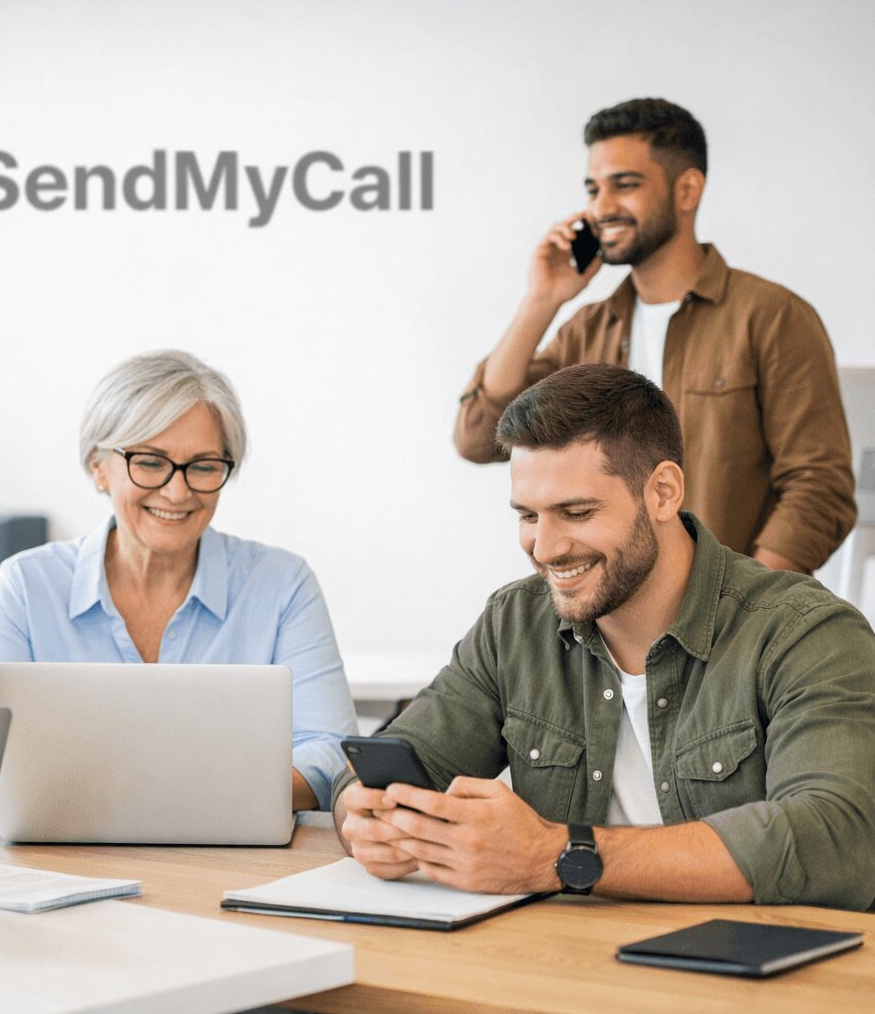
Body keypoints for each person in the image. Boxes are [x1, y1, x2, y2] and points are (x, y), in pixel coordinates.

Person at [336, 363, 875, 910]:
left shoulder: (807, 633)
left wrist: (558, 855)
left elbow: (837, 840)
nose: (545, 549)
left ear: (663, 493)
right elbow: (388, 764)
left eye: (576, 512)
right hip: (572, 962)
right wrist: (364, 818)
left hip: (761, 979)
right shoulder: (514, 624)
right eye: (528, 516)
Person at [454, 97, 854, 574]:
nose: (601, 207)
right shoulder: (587, 331)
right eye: (592, 189)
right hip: (606, 619)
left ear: (687, 190)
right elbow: (478, 437)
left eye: (624, 185)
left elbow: (818, 488)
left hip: (732, 623)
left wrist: (745, 608)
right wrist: (541, 300)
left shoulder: (773, 317)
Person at [0, 349, 356, 810]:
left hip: (231, 861)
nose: (177, 491)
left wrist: (150, 796)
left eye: (203, 466)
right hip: (61, 859)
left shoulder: (283, 585)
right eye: (149, 462)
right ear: (98, 467)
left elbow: (328, 753)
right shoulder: (26, 586)